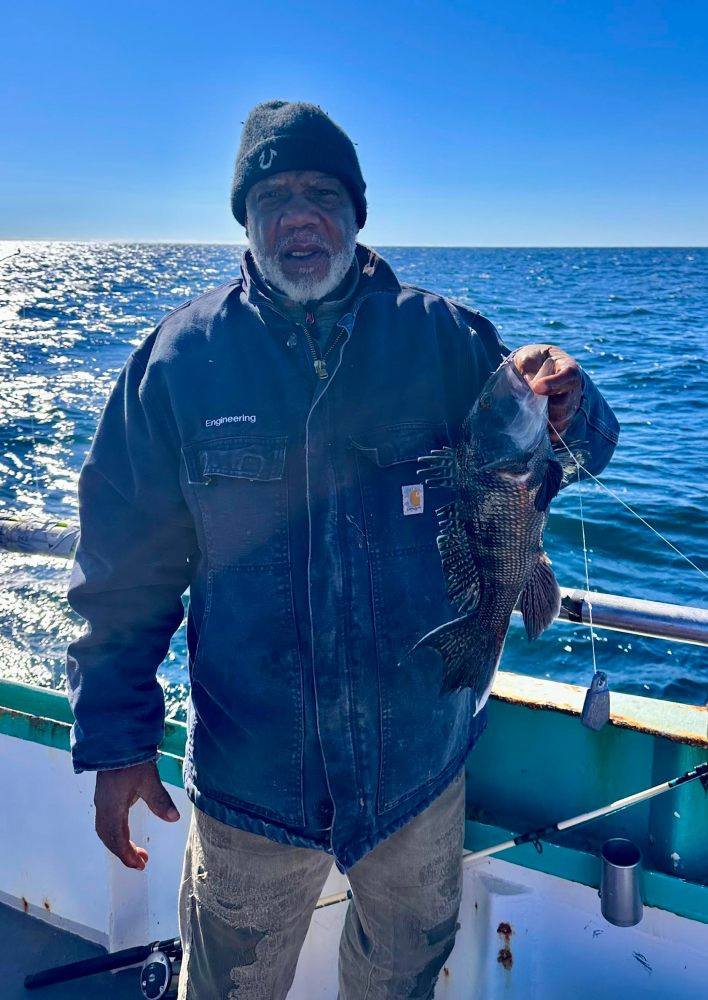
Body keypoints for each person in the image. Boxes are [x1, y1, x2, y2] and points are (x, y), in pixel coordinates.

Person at [67, 100, 619, 999]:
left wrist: (569, 401)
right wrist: (118, 741)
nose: (298, 217)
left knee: (400, 978)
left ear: (358, 212)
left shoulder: (446, 336)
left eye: (321, 192)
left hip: (417, 773)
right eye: (271, 197)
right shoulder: (175, 362)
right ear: (242, 220)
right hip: (251, 789)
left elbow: (566, 462)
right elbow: (124, 569)